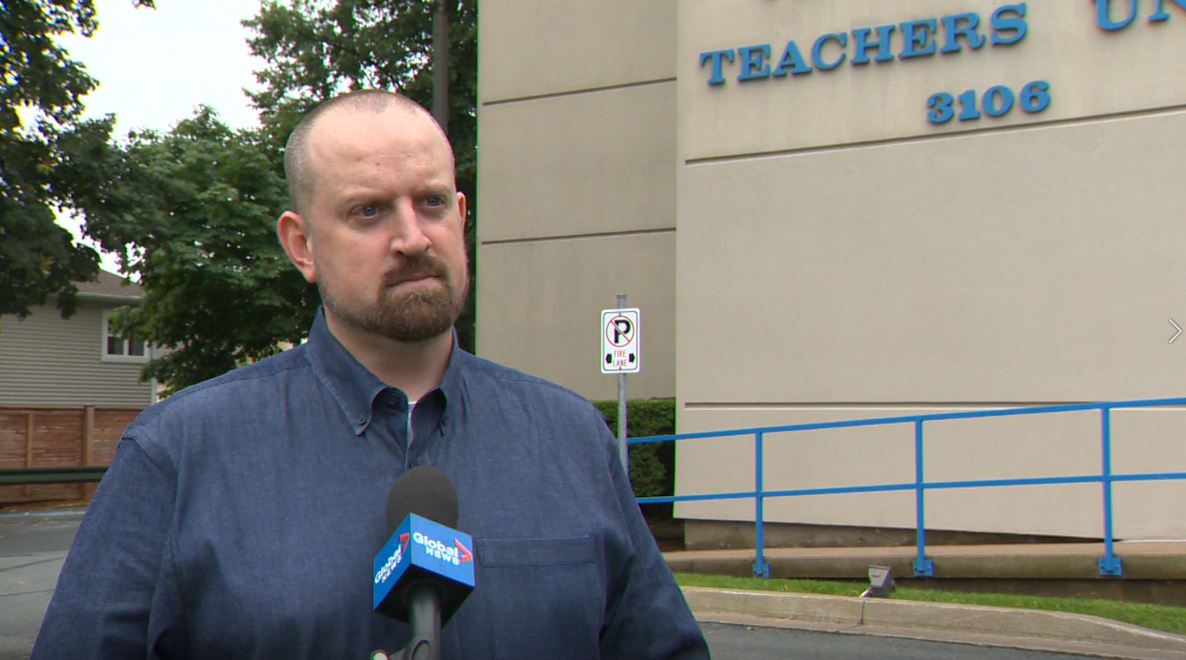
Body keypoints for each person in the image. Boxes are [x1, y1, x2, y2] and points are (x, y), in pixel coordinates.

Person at [32, 90, 709, 659]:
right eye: (369, 211)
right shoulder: (179, 453)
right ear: (302, 245)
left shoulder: (570, 439)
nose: (412, 237)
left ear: (462, 217)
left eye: (432, 203)